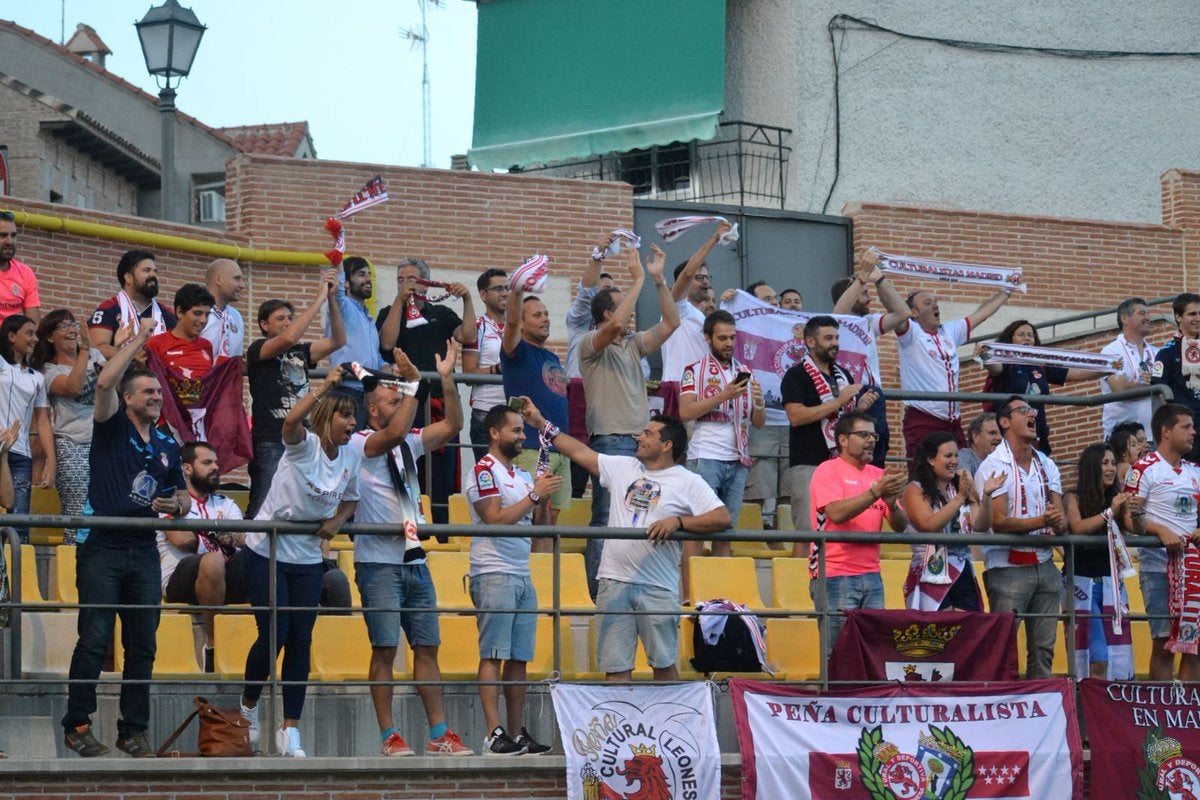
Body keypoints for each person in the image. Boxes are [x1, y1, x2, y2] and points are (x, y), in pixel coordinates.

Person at [521, 400, 729, 681]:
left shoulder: (688, 481)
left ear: (667, 445)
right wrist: (541, 423)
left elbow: (721, 518)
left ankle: (668, 724)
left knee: (665, 667)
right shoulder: (622, 466)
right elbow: (579, 451)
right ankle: (619, 726)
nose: (639, 438)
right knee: (615, 669)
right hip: (613, 582)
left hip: (658, 587)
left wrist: (679, 523)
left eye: (647, 433)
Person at [62, 318, 189, 758]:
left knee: (143, 645)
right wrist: (139, 340)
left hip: (144, 550)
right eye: (148, 393)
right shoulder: (111, 423)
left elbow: (184, 496)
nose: (156, 398)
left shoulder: (167, 444)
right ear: (129, 398)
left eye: (159, 393)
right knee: (95, 639)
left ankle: (132, 731)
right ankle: (77, 724)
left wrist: (179, 506)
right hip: (102, 547)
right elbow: (104, 384)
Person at [351, 342, 474, 757]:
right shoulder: (361, 444)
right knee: (384, 649)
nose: (401, 400)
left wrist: (446, 378)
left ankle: (439, 732)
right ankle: (389, 736)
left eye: (400, 396)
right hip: (377, 562)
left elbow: (454, 424)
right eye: (392, 397)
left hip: (414, 558)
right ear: (372, 409)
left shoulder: (410, 440)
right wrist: (414, 384)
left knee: (427, 648)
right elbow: (396, 431)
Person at [238, 368, 362, 758]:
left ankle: (290, 729)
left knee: (301, 639)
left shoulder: (351, 455)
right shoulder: (303, 445)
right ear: (327, 418)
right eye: (345, 416)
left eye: (354, 416)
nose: (353, 423)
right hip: (267, 549)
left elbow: (351, 499)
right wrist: (323, 387)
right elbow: (290, 421)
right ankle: (249, 706)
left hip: (308, 556)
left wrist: (337, 521)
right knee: (275, 629)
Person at [581, 244, 677, 595]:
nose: (630, 314)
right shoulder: (591, 343)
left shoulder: (632, 345)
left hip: (640, 444)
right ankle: (598, 593)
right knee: (606, 518)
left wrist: (657, 280)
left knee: (639, 519)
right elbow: (620, 322)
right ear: (606, 313)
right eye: (621, 304)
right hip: (610, 440)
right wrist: (636, 280)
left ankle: (627, 585)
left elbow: (671, 323)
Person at [467, 403, 560, 754]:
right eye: (516, 430)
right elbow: (493, 518)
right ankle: (493, 732)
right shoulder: (482, 469)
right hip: (492, 571)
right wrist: (534, 494)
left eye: (523, 430)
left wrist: (542, 496)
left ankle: (517, 732)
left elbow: (540, 528)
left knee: (519, 657)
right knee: (492, 653)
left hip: (522, 572)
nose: (523, 436)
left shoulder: (521, 475)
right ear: (494, 432)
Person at [377, 258, 476, 524]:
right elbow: (387, 342)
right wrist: (400, 301)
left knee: (441, 474)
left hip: (441, 406)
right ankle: (408, 524)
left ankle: (441, 531)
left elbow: (467, 335)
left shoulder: (441, 313)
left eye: (412, 279)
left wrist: (467, 299)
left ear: (425, 283)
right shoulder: (389, 312)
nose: (406, 284)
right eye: (401, 279)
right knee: (407, 467)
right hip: (405, 404)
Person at [976, 395, 1066, 679]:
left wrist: (1056, 521)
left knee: (1043, 648)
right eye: (1024, 410)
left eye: (1033, 410)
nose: (1033, 415)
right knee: (1003, 646)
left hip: (1045, 564)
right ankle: (1000, 707)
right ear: (1005, 422)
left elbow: (1060, 518)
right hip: (1007, 569)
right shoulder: (993, 465)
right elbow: (999, 523)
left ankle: (1039, 710)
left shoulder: (1047, 464)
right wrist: (1043, 521)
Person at [245, 271, 345, 517]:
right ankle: (249, 552)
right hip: (271, 439)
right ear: (264, 325)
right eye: (280, 318)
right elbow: (290, 337)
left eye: (290, 317)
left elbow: (339, 340)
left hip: (303, 438)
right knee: (263, 503)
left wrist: (331, 298)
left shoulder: (301, 350)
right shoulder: (258, 349)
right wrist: (319, 298)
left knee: (301, 499)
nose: (288, 323)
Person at [807, 412, 908, 648]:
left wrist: (892, 503)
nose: (872, 440)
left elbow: (900, 526)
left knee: (872, 650)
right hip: (834, 573)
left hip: (872, 574)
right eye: (864, 435)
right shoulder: (828, 470)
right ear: (843, 439)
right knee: (839, 651)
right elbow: (836, 514)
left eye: (874, 435)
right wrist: (875, 493)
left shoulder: (878, 475)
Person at [679, 308, 763, 564]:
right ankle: (688, 596)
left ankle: (720, 597)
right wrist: (723, 396)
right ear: (707, 338)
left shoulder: (745, 372)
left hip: (738, 460)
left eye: (732, 337)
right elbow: (685, 412)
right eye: (722, 338)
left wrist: (758, 404)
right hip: (705, 457)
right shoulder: (694, 370)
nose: (729, 343)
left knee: (726, 535)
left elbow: (758, 423)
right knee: (695, 531)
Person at [896, 285, 1012, 469]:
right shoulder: (911, 334)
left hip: (953, 422)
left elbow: (981, 314)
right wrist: (879, 280)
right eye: (928, 302)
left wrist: (1007, 291)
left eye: (936, 302)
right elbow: (896, 310)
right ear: (914, 312)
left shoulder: (948, 331)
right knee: (924, 472)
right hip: (923, 418)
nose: (935, 305)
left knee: (960, 473)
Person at [781, 315, 872, 550]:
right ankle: (797, 587)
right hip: (809, 463)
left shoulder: (844, 375)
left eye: (837, 337)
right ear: (810, 342)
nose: (835, 343)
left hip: (842, 465)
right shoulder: (796, 375)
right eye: (828, 338)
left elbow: (843, 417)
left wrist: (858, 408)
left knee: (840, 534)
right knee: (807, 535)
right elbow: (796, 416)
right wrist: (839, 401)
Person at [157, 441, 247, 673]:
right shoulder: (170, 501)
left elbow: (243, 541)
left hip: (222, 578)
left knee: (262, 561)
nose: (216, 467)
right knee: (214, 559)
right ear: (187, 468)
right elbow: (181, 540)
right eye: (207, 462)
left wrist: (204, 532)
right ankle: (214, 645)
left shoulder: (227, 504)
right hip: (178, 577)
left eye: (216, 462)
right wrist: (221, 534)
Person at [1126, 403, 1200, 681]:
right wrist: (1159, 530)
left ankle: (1186, 716)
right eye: (1186, 426)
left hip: (1194, 569)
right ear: (1166, 431)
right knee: (1163, 643)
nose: (1193, 432)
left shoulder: (1195, 471)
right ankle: (1160, 716)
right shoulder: (1144, 469)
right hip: (1158, 567)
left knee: (1195, 646)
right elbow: (1129, 520)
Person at [831, 251, 914, 469]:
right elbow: (839, 313)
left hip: (874, 392)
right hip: (848, 392)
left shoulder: (868, 321)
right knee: (850, 451)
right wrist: (862, 277)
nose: (868, 298)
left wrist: (880, 280)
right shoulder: (832, 325)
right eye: (863, 293)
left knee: (878, 450)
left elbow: (903, 313)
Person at [500, 279, 571, 532]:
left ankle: (545, 571)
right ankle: (530, 571)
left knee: (552, 521)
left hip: (560, 449)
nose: (545, 319)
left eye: (547, 314)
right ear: (521, 322)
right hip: (532, 446)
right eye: (537, 315)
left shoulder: (551, 356)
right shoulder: (517, 352)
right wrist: (518, 289)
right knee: (532, 518)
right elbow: (509, 323)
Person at [902, 432, 999, 611]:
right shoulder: (915, 489)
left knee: (967, 631)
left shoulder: (960, 488)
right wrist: (960, 498)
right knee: (940, 632)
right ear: (931, 459)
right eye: (948, 456)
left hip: (962, 569)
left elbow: (981, 525)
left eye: (956, 456)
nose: (954, 461)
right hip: (930, 569)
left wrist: (986, 496)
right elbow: (929, 525)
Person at [31, 311, 105, 545]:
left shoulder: (95, 354)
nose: (72, 330)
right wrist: (84, 350)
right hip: (72, 446)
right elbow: (73, 387)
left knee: (107, 507)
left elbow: (111, 383)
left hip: (103, 443)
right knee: (78, 511)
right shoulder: (48, 370)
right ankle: (75, 567)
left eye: (73, 325)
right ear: (50, 337)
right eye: (64, 327)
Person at [981, 319, 1108, 454]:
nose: (1027, 338)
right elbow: (995, 368)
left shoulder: (1040, 365)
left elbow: (1074, 373)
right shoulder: (1006, 362)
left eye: (1031, 335)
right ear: (1010, 340)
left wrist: (1109, 368)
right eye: (1021, 335)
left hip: (1037, 433)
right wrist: (986, 356)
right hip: (1010, 433)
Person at [1064, 443, 1135, 680]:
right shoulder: (1073, 497)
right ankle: (1090, 711)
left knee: (1118, 657)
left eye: (1113, 463)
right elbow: (1077, 527)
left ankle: (1109, 710)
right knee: (1097, 657)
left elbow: (1134, 529)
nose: (1111, 468)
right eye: (1105, 463)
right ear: (1091, 467)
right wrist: (1109, 512)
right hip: (1081, 585)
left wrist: (1132, 511)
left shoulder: (1115, 498)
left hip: (1111, 585)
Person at [0, 313, 53, 543]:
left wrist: (52, 461)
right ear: (11, 336)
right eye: (29, 333)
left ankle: (14, 577)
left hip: (21, 455)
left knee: (19, 526)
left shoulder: (37, 378)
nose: (34, 339)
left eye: (35, 335)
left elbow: (42, 420)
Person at [659, 221, 732, 389]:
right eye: (700, 278)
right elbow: (687, 273)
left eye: (707, 277)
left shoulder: (700, 316)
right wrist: (715, 238)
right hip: (677, 392)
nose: (705, 282)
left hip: (701, 392)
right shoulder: (676, 308)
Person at [88, 250, 177, 359]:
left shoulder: (167, 314)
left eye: (155, 271)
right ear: (128, 278)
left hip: (158, 375)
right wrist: (131, 355)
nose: (153, 275)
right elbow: (95, 348)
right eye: (147, 270)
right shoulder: (108, 309)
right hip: (123, 374)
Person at [326, 256, 382, 428]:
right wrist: (338, 258)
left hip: (368, 393)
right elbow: (338, 293)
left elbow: (374, 356)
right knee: (346, 448)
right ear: (347, 283)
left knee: (363, 451)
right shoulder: (344, 307)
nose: (367, 279)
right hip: (346, 390)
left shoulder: (368, 316)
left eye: (368, 274)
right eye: (360, 275)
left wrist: (386, 365)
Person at [463, 268, 508, 461]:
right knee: (488, 478)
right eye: (498, 288)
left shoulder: (518, 328)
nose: (505, 293)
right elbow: (468, 374)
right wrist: (498, 369)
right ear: (483, 294)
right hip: (485, 413)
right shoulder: (477, 326)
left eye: (507, 288)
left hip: (514, 412)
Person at [1100, 297, 1158, 440]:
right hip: (1123, 438)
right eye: (1142, 313)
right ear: (1125, 318)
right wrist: (1154, 386)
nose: (1147, 318)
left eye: (1148, 314)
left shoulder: (1157, 353)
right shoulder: (1111, 352)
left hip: (1155, 437)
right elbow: (1121, 389)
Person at [1152, 292, 1200, 460]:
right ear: (1178, 317)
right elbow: (1159, 392)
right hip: (1188, 430)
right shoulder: (1167, 353)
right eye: (1192, 314)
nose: (1198, 318)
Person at [0, 210, 42, 321]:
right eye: (3, 235)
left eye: (13, 235)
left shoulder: (25, 273)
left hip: (11, 337)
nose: (9, 241)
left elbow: (34, 324)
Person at [201, 258, 246, 361]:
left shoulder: (236, 316)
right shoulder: (196, 314)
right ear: (218, 279)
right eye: (237, 278)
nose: (243, 285)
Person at [958, 412, 1001, 478]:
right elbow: (965, 483)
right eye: (992, 433)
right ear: (975, 436)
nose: (999, 438)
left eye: (1001, 433)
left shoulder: (1003, 458)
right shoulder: (965, 456)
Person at [1110, 421, 1148, 486]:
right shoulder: (1126, 467)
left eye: (1138, 444)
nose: (1138, 447)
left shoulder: (1120, 466)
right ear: (1123, 452)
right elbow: (1140, 483)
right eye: (1133, 445)